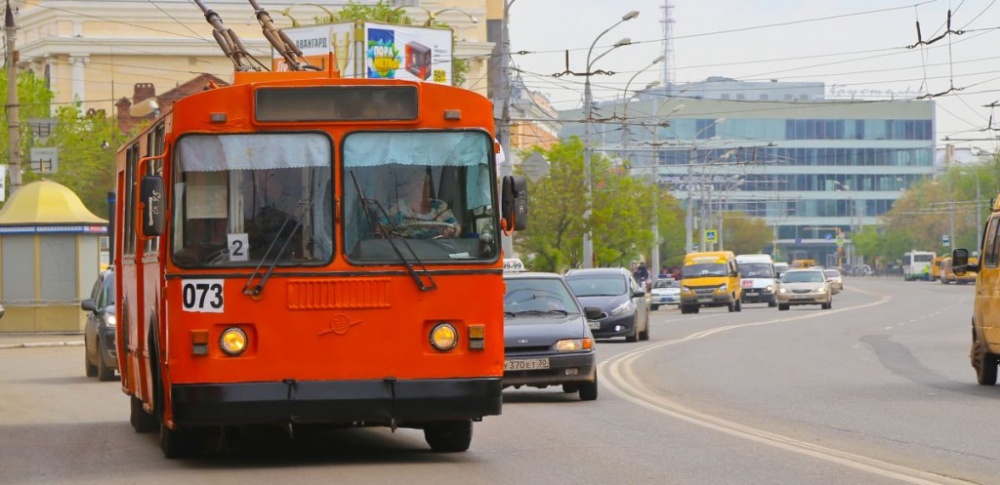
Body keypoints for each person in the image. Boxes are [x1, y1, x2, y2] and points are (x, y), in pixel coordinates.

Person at [376, 171, 460, 239]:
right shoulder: (394, 208)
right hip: (404, 254)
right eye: (418, 185)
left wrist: (451, 231)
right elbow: (379, 231)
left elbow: (456, 228)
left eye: (426, 184)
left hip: (437, 253)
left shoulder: (439, 206)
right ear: (407, 188)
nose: (424, 188)